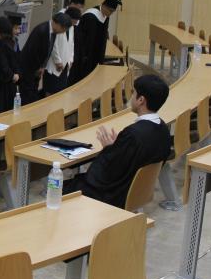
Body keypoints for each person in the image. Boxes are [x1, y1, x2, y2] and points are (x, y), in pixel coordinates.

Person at [63, 74, 172, 209]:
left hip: (115, 196)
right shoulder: (164, 130)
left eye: (134, 93)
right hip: (137, 193)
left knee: (62, 186)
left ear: (141, 100)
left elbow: (105, 174)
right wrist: (117, 147)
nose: (131, 96)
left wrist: (108, 149)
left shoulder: (133, 134)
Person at [17, 13, 72, 104]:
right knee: (27, 96)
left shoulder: (53, 32)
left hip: (37, 70)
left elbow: (48, 51)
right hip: (29, 69)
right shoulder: (41, 30)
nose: (63, 32)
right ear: (57, 23)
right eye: (63, 29)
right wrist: (38, 67)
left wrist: (42, 66)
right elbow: (32, 52)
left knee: (33, 95)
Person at [71, 0, 122, 83]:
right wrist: (86, 57)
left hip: (95, 54)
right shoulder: (90, 16)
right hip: (85, 55)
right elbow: (85, 40)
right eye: (110, 11)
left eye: (113, 12)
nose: (110, 14)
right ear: (104, 6)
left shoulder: (105, 16)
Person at [44, 7, 81, 95]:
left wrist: (71, 59)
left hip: (66, 64)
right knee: (51, 90)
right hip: (54, 64)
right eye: (73, 22)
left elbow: (71, 43)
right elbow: (53, 45)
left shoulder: (71, 27)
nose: (73, 25)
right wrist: (57, 61)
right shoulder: (58, 25)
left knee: (61, 90)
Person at [0, 17, 20, 113]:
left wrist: (11, 76)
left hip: (1, 86)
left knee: (0, 113)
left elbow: (3, 65)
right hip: (10, 84)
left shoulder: (0, 44)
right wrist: (15, 75)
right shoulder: (11, 42)